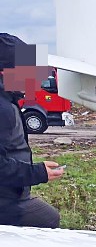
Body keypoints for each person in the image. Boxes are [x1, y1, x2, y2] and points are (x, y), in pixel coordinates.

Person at [0, 33, 64, 228]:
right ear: (4, 72)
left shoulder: (7, 102)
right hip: (6, 201)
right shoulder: (3, 109)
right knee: (48, 218)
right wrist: (37, 172)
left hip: (9, 193)